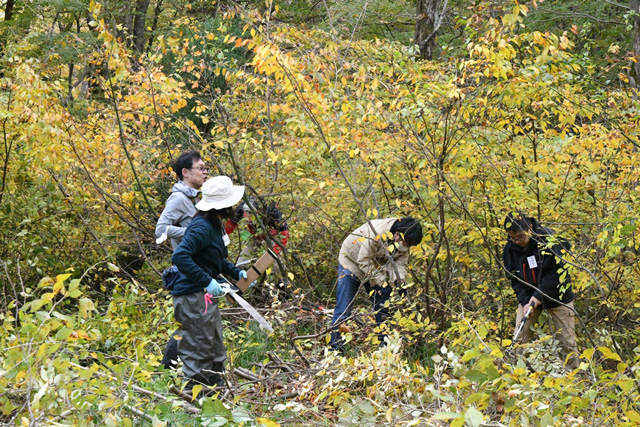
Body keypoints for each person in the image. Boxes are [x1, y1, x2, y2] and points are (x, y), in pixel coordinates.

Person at [171, 175, 247, 393]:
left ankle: (216, 393)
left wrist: (236, 273)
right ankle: (194, 397)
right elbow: (180, 256)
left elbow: (214, 258)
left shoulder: (213, 224)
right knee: (199, 346)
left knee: (214, 344)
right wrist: (206, 280)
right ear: (222, 205)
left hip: (203, 295)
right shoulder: (201, 227)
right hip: (192, 296)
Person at [329, 217, 423, 352]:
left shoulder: (404, 237)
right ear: (397, 235)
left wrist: (400, 282)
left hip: (374, 267)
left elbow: (400, 263)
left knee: (383, 307)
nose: (407, 248)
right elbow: (363, 260)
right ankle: (335, 348)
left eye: (409, 246)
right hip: (352, 262)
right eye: (406, 244)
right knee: (344, 307)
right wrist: (381, 282)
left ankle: (385, 348)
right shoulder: (377, 233)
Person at [502, 213, 579, 369]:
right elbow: (514, 279)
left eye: (520, 237)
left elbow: (555, 275)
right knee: (520, 337)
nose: (517, 241)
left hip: (559, 296)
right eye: (512, 238)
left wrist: (537, 297)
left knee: (567, 342)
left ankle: (574, 378)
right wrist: (525, 302)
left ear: (530, 229)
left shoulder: (548, 240)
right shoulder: (510, 249)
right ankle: (518, 374)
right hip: (529, 298)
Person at [156, 151, 208, 370]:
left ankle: (192, 370)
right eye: (201, 168)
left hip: (200, 271)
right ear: (185, 172)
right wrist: (189, 231)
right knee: (190, 325)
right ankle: (167, 370)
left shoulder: (196, 198)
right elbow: (160, 230)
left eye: (207, 168)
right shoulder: (178, 198)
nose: (205, 172)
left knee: (198, 325)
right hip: (187, 271)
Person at [224, 196, 289, 265]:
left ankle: (277, 272)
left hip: (271, 235)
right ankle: (240, 270)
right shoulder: (240, 209)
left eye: (251, 214)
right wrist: (220, 238)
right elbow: (229, 225)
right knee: (242, 261)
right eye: (246, 214)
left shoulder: (272, 211)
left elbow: (284, 232)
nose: (248, 218)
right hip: (254, 234)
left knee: (276, 261)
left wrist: (275, 251)